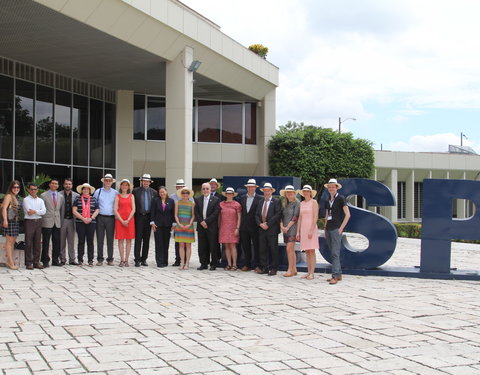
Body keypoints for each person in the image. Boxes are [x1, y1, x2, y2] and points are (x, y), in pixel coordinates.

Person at [324, 178, 351, 285]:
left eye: (333, 187)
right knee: (333, 252)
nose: (331, 188)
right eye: (329, 187)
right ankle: (338, 274)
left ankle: (334, 276)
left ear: (336, 188)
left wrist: (341, 228)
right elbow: (327, 215)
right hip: (329, 228)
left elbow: (348, 215)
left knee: (335, 253)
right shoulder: (327, 200)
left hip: (336, 229)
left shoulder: (341, 198)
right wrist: (325, 228)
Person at [255, 182, 282, 276]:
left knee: (273, 249)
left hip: (272, 229)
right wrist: (260, 224)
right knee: (262, 249)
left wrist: (268, 224)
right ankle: (264, 268)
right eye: (265, 191)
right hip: (262, 229)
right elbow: (257, 215)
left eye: (268, 191)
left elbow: (278, 214)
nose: (266, 192)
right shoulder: (260, 201)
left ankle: (274, 268)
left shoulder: (276, 201)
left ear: (271, 191)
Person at [132, 174, 158, 267]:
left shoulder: (154, 192)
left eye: (147, 181)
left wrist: (153, 220)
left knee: (146, 239)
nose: (145, 183)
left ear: (150, 182)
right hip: (139, 217)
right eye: (144, 181)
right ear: (141, 181)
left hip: (149, 218)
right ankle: (137, 259)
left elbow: (155, 207)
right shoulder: (135, 191)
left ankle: (144, 259)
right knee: (138, 239)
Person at [93, 173, 118, 266]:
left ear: (112, 182)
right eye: (106, 180)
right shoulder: (98, 191)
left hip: (111, 218)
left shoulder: (115, 193)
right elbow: (94, 204)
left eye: (109, 181)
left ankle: (110, 259)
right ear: (103, 181)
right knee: (100, 239)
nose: (108, 182)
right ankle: (100, 259)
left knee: (110, 239)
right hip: (100, 217)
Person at [195, 182, 220, 270]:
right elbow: (196, 213)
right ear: (201, 190)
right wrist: (202, 221)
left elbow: (216, 213)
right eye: (203, 189)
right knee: (202, 246)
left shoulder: (216, 199)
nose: (205, 190)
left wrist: (206, 222)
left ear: (210, 190)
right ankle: (203, 263)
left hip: (211, 227)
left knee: (213, 246)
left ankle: (213, 264)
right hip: (201, 226)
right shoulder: (198, 199)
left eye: (207, 189)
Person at [72, 183, 99, 266]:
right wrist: (83, 218)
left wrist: (91, 218)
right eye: (84, 189)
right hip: (80, 222)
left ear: (90, 191)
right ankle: (80, 259)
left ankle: (90, 259)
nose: (86, 190)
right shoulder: (77, 199)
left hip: (91, 223)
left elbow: (97, 210)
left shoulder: (94, 199)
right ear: (82, 190)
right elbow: (74, 210)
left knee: (90, 241)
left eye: (87, 189)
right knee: (81, 241)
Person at [238, 178, 262, 272]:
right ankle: (247, 265)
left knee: (256, 247)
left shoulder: (260, 198)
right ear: (247, 188)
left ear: (255, 188)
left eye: (252, 187)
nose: (251, 188)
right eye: (249, 187)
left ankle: (257, 265)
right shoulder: (242, 198)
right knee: (246, 246)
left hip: (255, 227)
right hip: (244, 227)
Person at [296, 185, 319, 280]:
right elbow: (300, 218)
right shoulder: (301, 203)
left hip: (311, 228)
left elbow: (315, 216)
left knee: (312, 250)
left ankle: (312, 273)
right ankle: (308, 271)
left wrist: (311, 230)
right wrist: (298, 231)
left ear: (310, 193)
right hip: (303, 228)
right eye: (304, 191)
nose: (306, 193)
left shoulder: (314, 202)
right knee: (306, 251)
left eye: (307, 191)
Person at [169, 178, 193, 266]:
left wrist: (190, 224)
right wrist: (174, 223)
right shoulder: (172, 197)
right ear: (176, 187)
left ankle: (186, 261)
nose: (180, 187)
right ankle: (178, 260)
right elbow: (171, 211)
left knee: (187, 244)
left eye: (181, 186)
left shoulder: (191, 199)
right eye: (178, 186)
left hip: (188, 224)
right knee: (178, 243)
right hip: (177, 223)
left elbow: (192, 212)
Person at [40, 178, 64, 267]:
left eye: (56, 184)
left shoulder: (60, 196)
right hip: (47, 221)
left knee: (56, 242)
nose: (54, 185)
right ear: (50, 184)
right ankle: (45, 260)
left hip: (57, 221)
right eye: (53, 183)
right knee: (46, 242)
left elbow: (60, 210)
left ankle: (55, 260)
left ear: (58, 186)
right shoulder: (43, 195)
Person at [23, 183, 47, 270]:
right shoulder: (26, 200)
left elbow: (44, 211)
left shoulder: (40, 200)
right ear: (29, 190)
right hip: (29, 222)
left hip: (38, 222)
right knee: (28, 242)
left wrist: (35, 211)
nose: (33, 191)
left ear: (37, 190)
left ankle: (36, 262)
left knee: (37, 243)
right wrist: (38, 211)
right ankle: (28, 263)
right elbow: (29, 212)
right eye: (32, 189)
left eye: (35, 189)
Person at [151, 186, 175, 267]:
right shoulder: (155, 201)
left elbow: (173, 214)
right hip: (158, 225)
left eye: (163, 192)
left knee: (166, 243)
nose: (162, 193)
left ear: (166, 192)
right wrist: (152, 223)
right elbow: (152, 212)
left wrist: (173, 224)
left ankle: (165, 261)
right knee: (159, 244)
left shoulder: (171, 201)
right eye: (160, 192)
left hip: (168, 225)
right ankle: (159, 262)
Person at [219, 187, 242, 270]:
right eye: (227, 193)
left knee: (233, 245)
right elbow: (219, 217)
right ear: (226, 195)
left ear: (233, 195)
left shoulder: (237, 205)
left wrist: (237, 228)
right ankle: (229, 263)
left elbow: (239, 217)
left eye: (230, 194)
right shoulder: (221, 204)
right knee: (226, 246)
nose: (229, 195)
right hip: (224, 227)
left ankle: (234, 264)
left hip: (233, 227)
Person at [114, 179, 135, 267]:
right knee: (121, 240)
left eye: (126, 185)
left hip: (130, 220)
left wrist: (128, 219)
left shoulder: (131, 196)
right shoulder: (117, 196)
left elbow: (134, 209)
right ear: (121, 186)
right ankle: (121, 259)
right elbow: (115, 209)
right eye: (123, 185)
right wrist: (122, 220)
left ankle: (127, 260)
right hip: (120, 220)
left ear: (128, 187)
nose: (124, 187)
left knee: (129, 240)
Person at [280, 185, 300, 277]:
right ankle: (294, 269)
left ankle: (290, 269)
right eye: (287, 192)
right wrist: (282, 226)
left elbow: (295, 217)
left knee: (289, 249)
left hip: (292, 228)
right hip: (285, 229)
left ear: (294, 193)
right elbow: (281, 216)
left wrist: (287, 227)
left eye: (291, 192)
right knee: (290, 250)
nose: (289, 194)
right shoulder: (284, 203)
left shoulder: (297, 203)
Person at [59, 178, 79, 265]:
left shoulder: (76, 195)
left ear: (72, 185)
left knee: (71, 241)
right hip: (62, 220)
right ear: (63, 185)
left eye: (69, 184)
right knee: (61, 241)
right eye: (66, 184)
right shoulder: (58, 194)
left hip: (72, 220)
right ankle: (62, 259)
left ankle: (72, 259)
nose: (68, 185)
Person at [1, 180, 21, 270]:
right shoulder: (9, 196)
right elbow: (4, 208)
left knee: (12, 242)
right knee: (9, 243)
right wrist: (5, 220)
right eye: (14, 187)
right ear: (11, 188)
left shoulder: (15, 197)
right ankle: (11, 262)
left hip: (15, 222)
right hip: (10, 222)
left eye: (17, 187)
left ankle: (9, 261)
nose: (16, 188)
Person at [174, 186, 195, 269]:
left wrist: (189, 224)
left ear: (189, 194)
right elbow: (175, 214)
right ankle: (182, 262)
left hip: (189, 226)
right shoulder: (177, 203)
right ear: (181, 194)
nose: (185, 194)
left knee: (188, 245)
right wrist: (179, 224)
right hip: (180, 226)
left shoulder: (192, 204)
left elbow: (193, 215)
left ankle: (187, 263)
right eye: (183, 193)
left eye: (187, 193)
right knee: (181, 245)